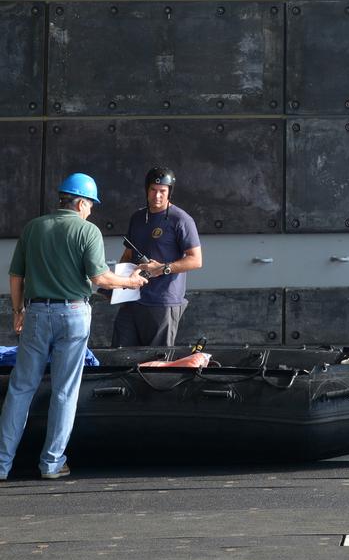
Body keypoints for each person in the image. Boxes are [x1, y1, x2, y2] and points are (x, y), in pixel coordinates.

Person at [0, 173, 147, 479]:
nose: (91, 211)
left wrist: (17, 311)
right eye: (90, 205)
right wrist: (130, 281)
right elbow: (100, 279)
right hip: (74, 314)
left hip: (36, 312)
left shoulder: (33, 228)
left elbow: (16, 276)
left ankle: (1, 464)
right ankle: (51, 464)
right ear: (80, 202)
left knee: (20, 388)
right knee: (65, 391)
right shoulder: (87, 231)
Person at [111, 166, 202, 349]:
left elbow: (196, 260)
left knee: (155, 362)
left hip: (162, 301)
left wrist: (163, 268)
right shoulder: (137, 217)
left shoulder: (181, 220)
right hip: (132, 299)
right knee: (120, 355)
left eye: (162, 191)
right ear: (147, 189)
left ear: (169, 192)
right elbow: (128, 255)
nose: (157, 196)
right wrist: (116, 285)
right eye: (153, 190)